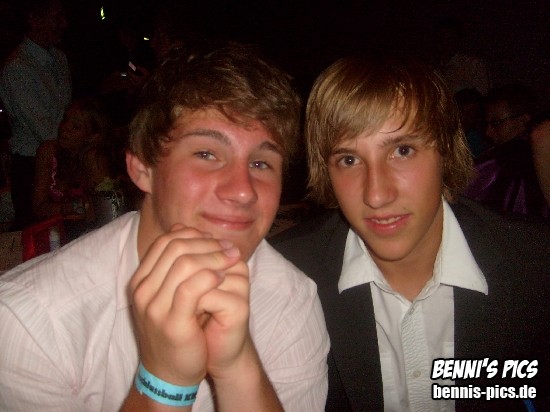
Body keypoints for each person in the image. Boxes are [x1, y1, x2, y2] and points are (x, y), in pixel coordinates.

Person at [0, 44, 329, 411]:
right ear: (142, 167)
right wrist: (164, 381)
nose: (242, 190)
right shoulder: (30, 323)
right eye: (206, 154)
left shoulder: (290, 299)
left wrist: (238, 368)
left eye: (261, 163)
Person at [271, 55, 550, 411]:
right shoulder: (285, 278)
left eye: (402, 151)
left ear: (446, 150)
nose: (376, 195)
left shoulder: (537, 266)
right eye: (349, 160)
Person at [0, 0, 71, 230]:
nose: (64, 24)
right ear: (34, 19)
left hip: (63, 158)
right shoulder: (17, 68)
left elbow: (65, 112)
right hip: (32, 167)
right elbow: (44, 130)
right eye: (56, 18)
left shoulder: (59, 59)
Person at [464, 84, 548, 219]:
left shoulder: (505, 158)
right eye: (486, 124)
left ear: (524, 120)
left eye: (496, 123)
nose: (488, 132)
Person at [32, 97, 112, 222]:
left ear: (93, 136)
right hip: (55, 227)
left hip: (90, 229)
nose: (65, 127)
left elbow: (105, 210)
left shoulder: (94, 159)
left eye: (76, 127)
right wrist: (69, 208)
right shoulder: (48, 151)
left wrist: (75, 210)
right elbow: (38, 207)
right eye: (65, 119)